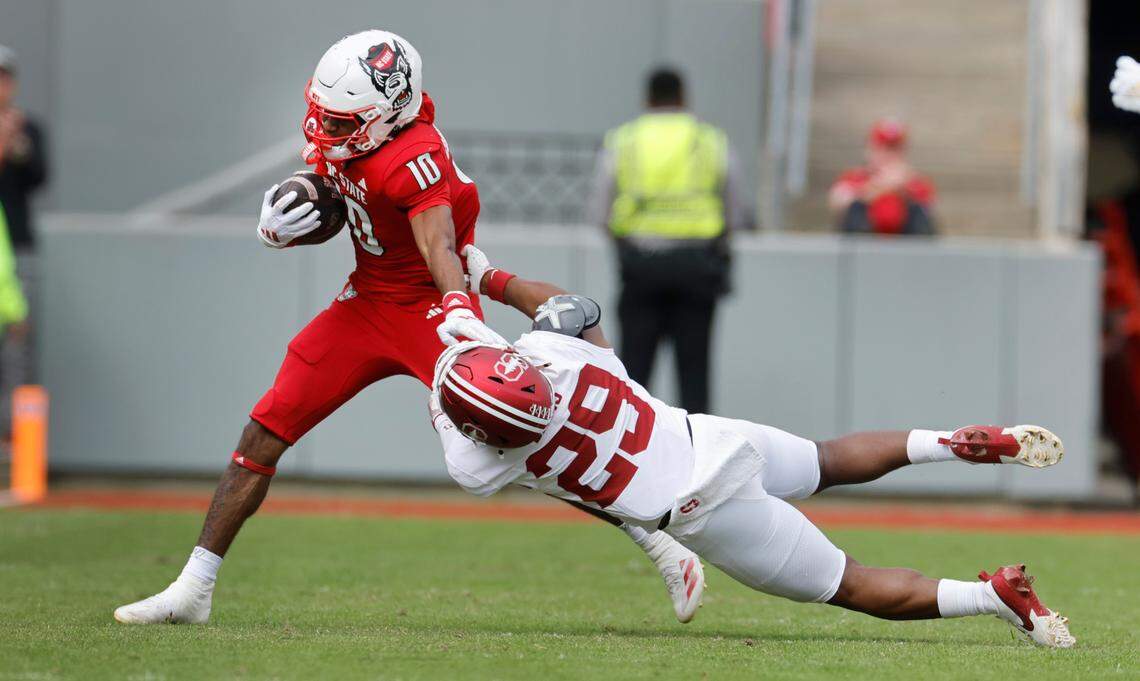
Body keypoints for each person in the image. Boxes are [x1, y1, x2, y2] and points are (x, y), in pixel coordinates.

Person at [113, 30, 703, 625]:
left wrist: (457, 309)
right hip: (367, 303)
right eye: (325, 116)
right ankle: (194, 587)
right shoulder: (357, 132)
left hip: (429, 308)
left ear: (388, 115)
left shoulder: (412, 153)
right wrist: (286, 222)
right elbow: (340, 201)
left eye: (343, 123)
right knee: (264, 431)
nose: (325, 131)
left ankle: (660, 541)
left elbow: (438, 242)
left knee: (529, 441)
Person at [428, 244, 1075, 649]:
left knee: (849, 583)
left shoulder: (483, 459)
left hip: (700, 509)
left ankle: (993, 596)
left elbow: (462, 427)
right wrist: (487, 280)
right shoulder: (553, 359)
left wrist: (442, 363)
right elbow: (575, 307)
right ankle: (950, 442)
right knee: (826, 459)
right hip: (708, 436)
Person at [589, 67, 745, 414]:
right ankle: (701, 460)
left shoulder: (625, 140)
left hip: (641, 266)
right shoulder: (710, 140)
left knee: (634, 376)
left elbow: (601, 212)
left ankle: (631, 458)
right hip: (698, 266)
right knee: (694, 375)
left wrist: (626, 245)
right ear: (684, 98)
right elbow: (734, 212)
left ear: (647, 99)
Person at [0, 45, 47, 437]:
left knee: (17, 351)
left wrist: (16, 145)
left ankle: (15, 447)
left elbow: (39, 176)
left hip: (15, 248)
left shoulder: (25, 127)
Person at [829, 118, 936, 235]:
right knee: (855, 208)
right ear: (870, 149)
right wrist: (879, 187)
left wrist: (903, 190)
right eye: (882, 148)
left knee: (917, 211)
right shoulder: (855, 178)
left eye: (893, 149)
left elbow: (929, 208)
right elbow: (837, 201)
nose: (887, 155)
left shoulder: (914, 182)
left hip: (905, 246)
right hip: (862, 244)